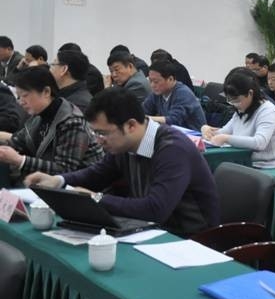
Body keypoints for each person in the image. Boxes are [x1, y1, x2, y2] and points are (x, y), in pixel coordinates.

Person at [24, 87, 220, 235]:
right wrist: (58, 180)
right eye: (95, 133)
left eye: (102, 133)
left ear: (131, 126)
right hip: (150, 231)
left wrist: (96, 198)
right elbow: (98, 174)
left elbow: (155, 209)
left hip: (190, 240)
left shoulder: (173, 149)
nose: (98, 141)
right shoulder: (124, 144)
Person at [0, 67, 103, 179]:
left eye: (25, 96)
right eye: (19, 97)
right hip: (47, 183)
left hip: (82, 185)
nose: (20, 102)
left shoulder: (72, 121)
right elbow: (17, 142)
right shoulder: (38, 116)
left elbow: (65, 170)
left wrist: (21, 160)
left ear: (46, 92)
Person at [202, 70, 275, 169]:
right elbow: (224, 132)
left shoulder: (267, 110)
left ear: (250, 93)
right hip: (245, 164)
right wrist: (207, 131)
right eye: (230, 100)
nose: (234, 104)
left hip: (267, 167)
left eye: (236, 100)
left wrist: (226, 138)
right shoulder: (242, 109)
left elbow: (260, 143)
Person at [142, 60, 207, 131]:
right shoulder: (157, 92)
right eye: (150, 81)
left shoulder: (183, 93)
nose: (152, 85)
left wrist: (145, 118)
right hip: (173, 133)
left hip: (193, 135)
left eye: (156, 82)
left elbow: (173, 120)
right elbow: (144, 110)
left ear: (170, 79)